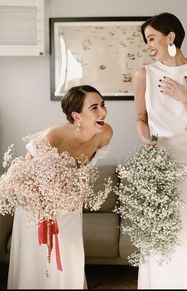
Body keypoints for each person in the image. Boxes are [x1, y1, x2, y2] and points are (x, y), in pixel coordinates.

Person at [134, 12, 187, 289]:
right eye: (146, 40)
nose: (148, 45)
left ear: (170, 37)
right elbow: (140, 117)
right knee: (155, 233)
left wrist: (186, 99)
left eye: (151, 38)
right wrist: (143, 133)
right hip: (158, 162)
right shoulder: (143, 74)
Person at [7, 85, 113, 289]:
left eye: (103, 104)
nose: (103, 112)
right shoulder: (53, 136)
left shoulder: (104, 133)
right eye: (94, 107)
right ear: (77, 116)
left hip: (70, 207)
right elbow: (23, 176)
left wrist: (68, 196)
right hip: (36, 209)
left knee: (69, 257)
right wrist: (45, 204)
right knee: (36, 263)